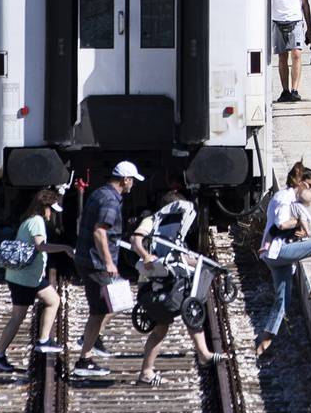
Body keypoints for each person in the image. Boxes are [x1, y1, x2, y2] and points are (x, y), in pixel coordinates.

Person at [134, 180, 229, 383]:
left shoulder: (172, 233)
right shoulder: (152, 221)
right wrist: (145, 255)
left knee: (180, 315)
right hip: (153, 285)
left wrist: (204, 262)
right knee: (172, 319)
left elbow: (178, 256)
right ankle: (147, 371)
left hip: (165, 283)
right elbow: (136, 239)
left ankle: (201, 354)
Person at [74, 161, 144, 377]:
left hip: (89, 259)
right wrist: (108, 262)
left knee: (113, 302)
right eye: (132, 180)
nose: (132, 185)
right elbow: (99, 232)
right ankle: (84, 359)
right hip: (96, 263)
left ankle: (91, 340)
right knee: (101, 310)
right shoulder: (111, 202)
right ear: (126, 180)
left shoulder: (100, 193)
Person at [0, 186, 69, 370]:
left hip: (28, 277)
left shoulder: (30, 219)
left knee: (53, 300)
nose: (52, 214)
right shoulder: (37, 221)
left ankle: (42, 340)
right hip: (24, 279)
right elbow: (41, 246)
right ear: (44, 207)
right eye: (51, 210)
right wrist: (64, 248)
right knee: (18, 317)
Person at [254, 162, 311, 355]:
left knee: (283, 300)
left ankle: (264, 342)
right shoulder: (284, 198)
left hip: (276, 252)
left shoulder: (292, 200)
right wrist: (298, 223)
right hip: (278, 251)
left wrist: (298, 231)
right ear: (300, 183)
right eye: (310, 185)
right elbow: (280, 224)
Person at [269, 0, 310, 103]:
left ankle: (295, 89)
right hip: (278, 20)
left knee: (296, 55)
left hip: (295, 21)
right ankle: (285, 90)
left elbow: (305, 3)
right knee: (282, 57)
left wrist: (309, 28)